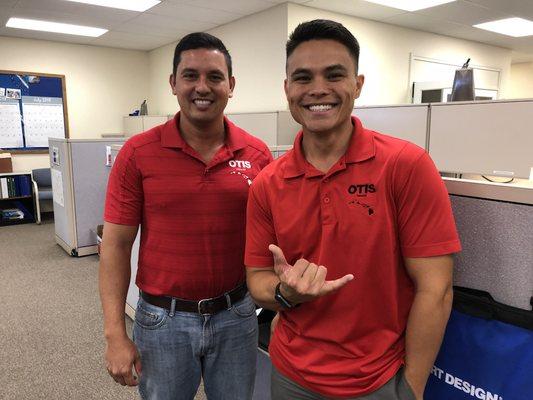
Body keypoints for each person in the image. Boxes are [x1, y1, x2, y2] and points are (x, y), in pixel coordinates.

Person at [245, 19, 461, 400]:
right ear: (287, 89)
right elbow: (257, 281)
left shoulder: (405, 165)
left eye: (334, 74)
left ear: (357, 84)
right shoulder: (268, 182)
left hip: (378, 381)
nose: (317, 90)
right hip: (291, 375)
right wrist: (286, 293)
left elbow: (436, 289)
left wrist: (411, 387)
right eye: (302, 78)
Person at [99, 32, 272, 400]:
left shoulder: (258, 155)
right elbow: (114, 245)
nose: (202, 87)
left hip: (237, 314)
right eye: (190, 75)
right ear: (173, 83)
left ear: (231, 85)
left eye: (214, 76)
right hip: (163, 321)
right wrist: (115, 333)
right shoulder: (137, 153)